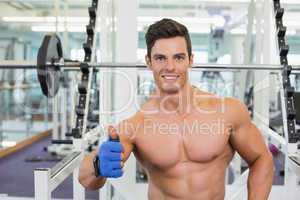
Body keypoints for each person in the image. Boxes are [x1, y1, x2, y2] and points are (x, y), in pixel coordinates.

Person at [78, 18, 274, 200]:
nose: (170, 67)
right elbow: (86, 180)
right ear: (149, 62)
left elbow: (261, 159)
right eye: (161, 58)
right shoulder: (137, 125)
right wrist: (98, 165)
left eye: (178, 57)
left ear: (190, 59)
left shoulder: (228, 112)